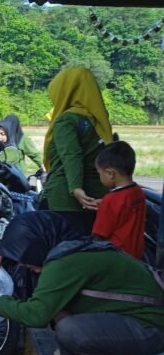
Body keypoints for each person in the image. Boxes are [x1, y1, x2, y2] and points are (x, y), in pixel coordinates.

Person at [0, 211, 164, 355]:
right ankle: (102, 352)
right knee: (57, 310)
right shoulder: (72, 248)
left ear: (36, 245)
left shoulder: (64, 263)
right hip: (139, 319)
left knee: (70, 331)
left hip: (152, 329)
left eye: (23, 256)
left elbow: (36, 315)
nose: (24, 264)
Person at [41, 67, 113, 235]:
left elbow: (71, 155)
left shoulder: (66, 120)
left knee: (66, 251)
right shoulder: (99, 119)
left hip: (67, 200)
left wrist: (76, 189)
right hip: (97, 197)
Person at [92, 141, 146, 259]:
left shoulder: (111, 200)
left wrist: (105, 207)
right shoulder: (138, 192)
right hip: (136, 256)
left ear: (110, 173)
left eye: (99, 173)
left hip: (116, 258)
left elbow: (99, 235)